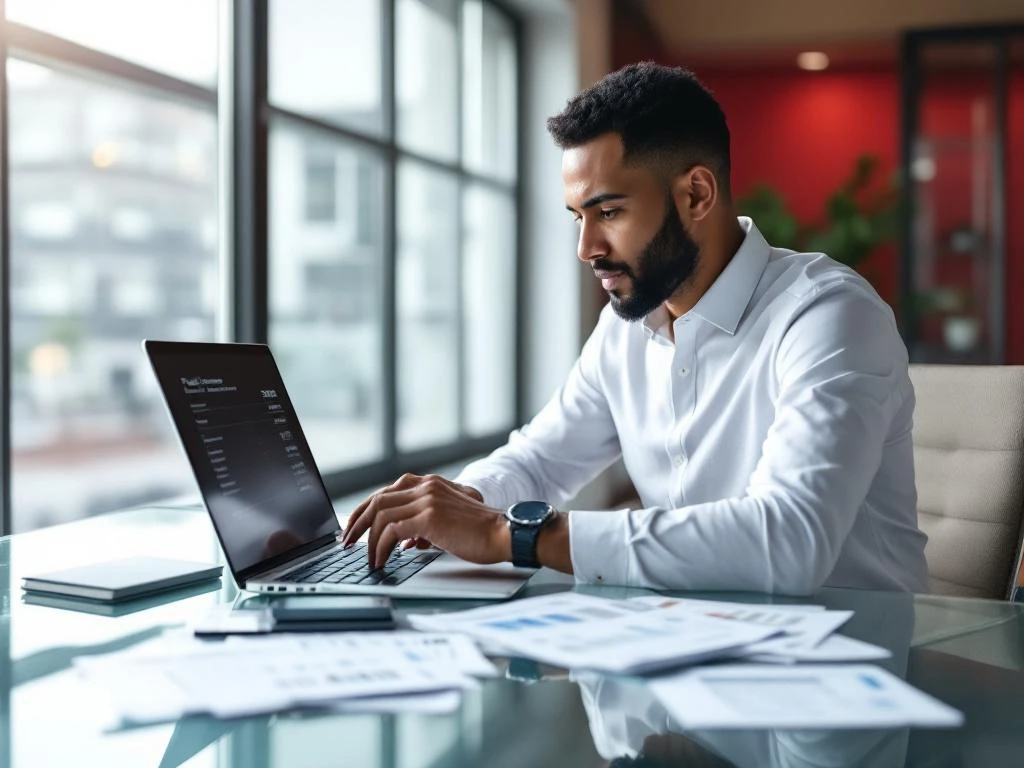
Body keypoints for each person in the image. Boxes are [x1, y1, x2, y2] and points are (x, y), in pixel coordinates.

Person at [342, 61, 928, 596]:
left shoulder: (829, 315)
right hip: (685, 653)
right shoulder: (625, 329)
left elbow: (790, 539)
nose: (586, 248)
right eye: (578, 216)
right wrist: (458, 505)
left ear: (696, 194)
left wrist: (510, 535)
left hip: (848, 669)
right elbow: (540, 461)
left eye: (609, 212)